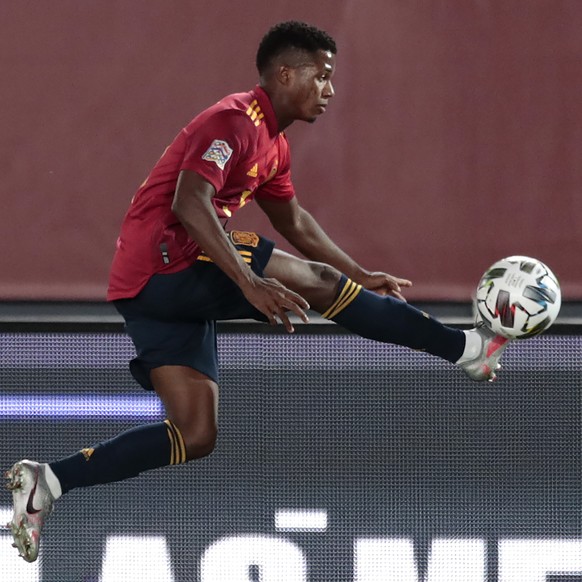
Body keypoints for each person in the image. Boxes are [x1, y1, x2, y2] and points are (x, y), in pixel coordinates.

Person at [6, 20, 509, 563]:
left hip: (147, 291)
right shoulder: (234, 123)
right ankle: (466, 349)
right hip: (169, 263)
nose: (330, 90)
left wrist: (356, 272)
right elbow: (190, 202)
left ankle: (48, 482)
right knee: (311, 283)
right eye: (322, 76)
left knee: (196, 434)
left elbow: (292, 218)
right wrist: (250, 282)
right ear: (286, 73)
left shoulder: (274, 146)